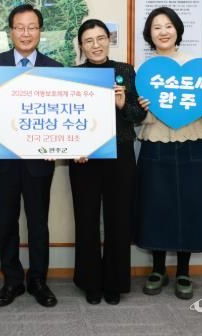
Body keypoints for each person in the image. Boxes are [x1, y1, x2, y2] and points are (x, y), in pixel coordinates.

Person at [136, 6, 202, 300]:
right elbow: (133, 117)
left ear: (178, 30)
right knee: (155, 207)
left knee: (191, 206)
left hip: (192, 145)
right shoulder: (142, 71)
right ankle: (158, 269)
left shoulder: (198, 67)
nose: (163, 31)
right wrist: (141, 110)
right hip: (155, 144)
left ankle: (184, 271)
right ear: (149, 34)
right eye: (156, 27)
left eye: (168, 26)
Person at [0, 4, 63, 308]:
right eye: (20, 27)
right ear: (10, 31)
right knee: (7, 221)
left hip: (39, 160)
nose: (26, 33)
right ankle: (12, 280)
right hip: (3, 158)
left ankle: (38, 280)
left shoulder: (54, 67)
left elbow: (60, 115)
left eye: (32, 27)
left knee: (39, 222)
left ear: (40, 31)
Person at [69, 19, 146, 305]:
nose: (96, 45)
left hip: (120, 154)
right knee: (86, 219)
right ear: (81, 46)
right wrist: (73, 147)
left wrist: (123, 104)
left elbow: (139, 115)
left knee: (119, 219)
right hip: (84, 157)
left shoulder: (125, 70)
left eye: (101, 38)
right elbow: (66, 118)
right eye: (88, 40)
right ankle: (90, 282)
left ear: (108, 40)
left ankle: (114, 282)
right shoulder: (73, 75)